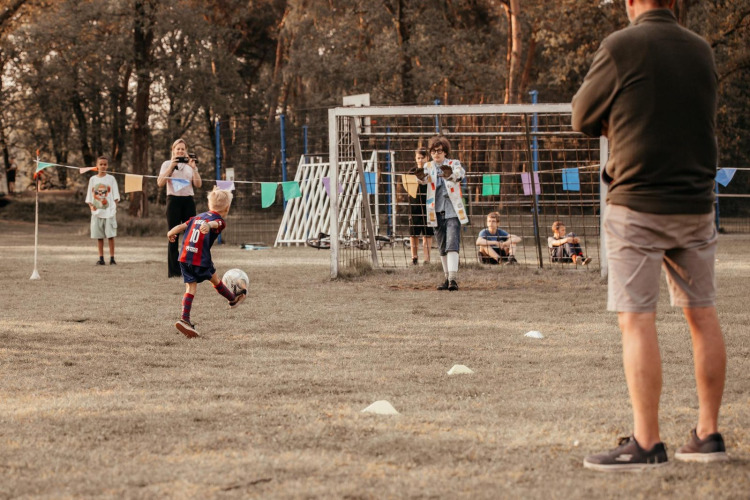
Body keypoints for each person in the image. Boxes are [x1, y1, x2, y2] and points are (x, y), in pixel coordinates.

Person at [573, 0, 727, 471]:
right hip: (696, 201)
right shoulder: (701, 50)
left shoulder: (621, 46)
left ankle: (646, 442)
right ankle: (708, 435)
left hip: (637, 202)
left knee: (637, 320)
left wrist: (615, 118)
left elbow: (581, 116)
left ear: (631, 2)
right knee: (702, 315)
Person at [167, 187, 246, 338]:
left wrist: (170, 232)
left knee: (190, 288)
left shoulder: (197, 217)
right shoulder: (220, 221)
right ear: (227, 208)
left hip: (184, 257)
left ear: (209, 204)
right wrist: (209, 225)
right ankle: (233, 299)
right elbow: (216, 224)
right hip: (200, 259)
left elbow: (181, 226)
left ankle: (184, 319)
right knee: (215, 280)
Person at [418, 136, 468, 291]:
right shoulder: (428, 166)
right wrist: (420, 177)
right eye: (433, 151)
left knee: (452, 243)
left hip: (452, 209)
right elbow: (423, 179)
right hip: (436, 209)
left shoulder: (453, 164)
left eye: (439, 151)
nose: (436, 154)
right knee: (442, 245)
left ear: (445, 152)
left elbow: (460, 174)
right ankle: (447, 278)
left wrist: (450, 175)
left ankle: (453, 279)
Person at [158, 138, 202, 278]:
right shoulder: (166, 164)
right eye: (178, 149)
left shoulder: (190, 165)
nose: (180, 151)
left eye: (183, 149)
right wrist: (171, 166)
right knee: (173, 235)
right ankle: (174, 271)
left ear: (186, 151)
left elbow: (198, 184)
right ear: (173, 150)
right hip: (173, 201)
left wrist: (194, 168)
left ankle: (190, 268)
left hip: (188, 201)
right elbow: (160, 183)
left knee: (191, 236)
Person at [85, 156, 120, 265]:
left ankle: (112, 258)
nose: (103, 166)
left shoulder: (111, 179)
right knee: (99, 237)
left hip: (109, 213)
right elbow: (89, 196)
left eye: (105, 164)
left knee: (110, 236)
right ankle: (101, 258)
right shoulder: (93, 179)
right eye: (101, 164)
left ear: (107, 166)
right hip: (97, 213)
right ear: (97, 166)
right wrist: (91, 207)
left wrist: (113, 208)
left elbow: (116, 196)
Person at [407, 147, 433, 265]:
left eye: (423, 158)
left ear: (427, 158)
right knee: (414, 234)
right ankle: (414, 257)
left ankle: (427, 259)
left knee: (427, 234)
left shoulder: (432, 171)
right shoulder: (412, 172)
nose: (420, 160)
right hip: (415, 206)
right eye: (418, 158)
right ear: (415, 158)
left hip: (429, 206)